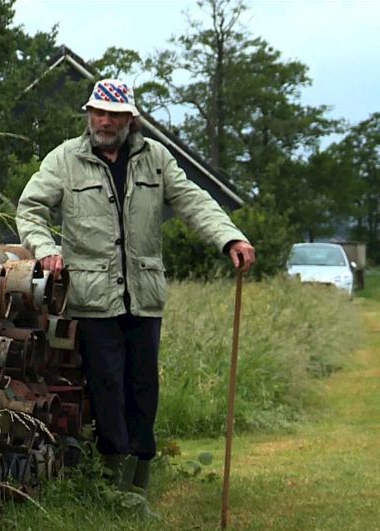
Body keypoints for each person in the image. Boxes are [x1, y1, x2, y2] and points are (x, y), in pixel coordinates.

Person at [15, 79, 256, 496]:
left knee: (144, 389)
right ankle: (114, 485)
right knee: (107, 387)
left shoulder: (155, 159)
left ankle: (139, 484)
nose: (105, 122)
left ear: (131, 119)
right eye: (99, 113)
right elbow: (30, 208)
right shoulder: (65, 160)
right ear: (89, 115)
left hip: (143, 297)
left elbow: (192, 200)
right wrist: (45, 249)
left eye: (115, 115)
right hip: (91, 300)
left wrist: (229, 237)